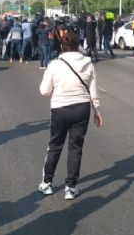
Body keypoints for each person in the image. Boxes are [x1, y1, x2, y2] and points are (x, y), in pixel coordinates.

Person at [38, 31, 103, 200]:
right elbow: (93, 90)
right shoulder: (88, 63)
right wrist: (97, 110)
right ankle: (71, 187)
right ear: (77, 46)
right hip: (82, 108)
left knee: (55, 145)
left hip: (60, 108)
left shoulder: (54, 64)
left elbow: (44, 91)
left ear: (61, 46)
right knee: (76, 148)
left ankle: (47, 183)